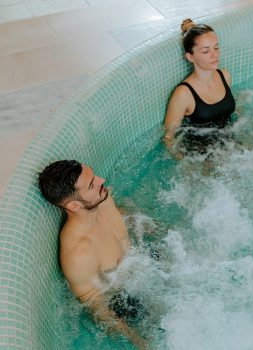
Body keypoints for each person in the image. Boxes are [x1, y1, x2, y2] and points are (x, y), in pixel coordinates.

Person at [38, 160, 147, 350]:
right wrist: (140, 342)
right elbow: (99, 309)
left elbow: (127, 217)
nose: (101, 180)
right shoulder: (79, 255)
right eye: (91, 184)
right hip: (126, 299)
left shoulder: (101, 199)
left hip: (144, 262)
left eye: (94, 176)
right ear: (73, 205)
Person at [164, 18, 236, 156]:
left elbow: (230, 113)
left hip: (230, 144)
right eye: (205, 51)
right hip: (200, 157)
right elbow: (169, 138)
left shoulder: (224, 76)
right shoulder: (184, 94)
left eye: (216, 47)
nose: (215, 55)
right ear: (190, 57)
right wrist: (185, 164)